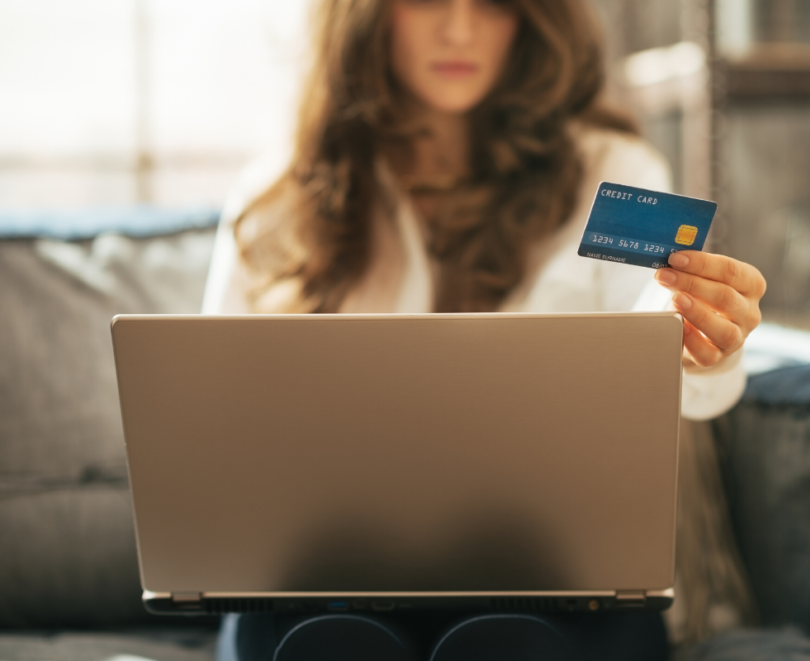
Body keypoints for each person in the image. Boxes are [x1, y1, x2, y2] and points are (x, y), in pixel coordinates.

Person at [203, 0, 766, 658]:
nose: (460, 28)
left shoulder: (612, 175)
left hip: (561, 587)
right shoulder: (276, 198)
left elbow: (660, 330)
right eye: (427, 0)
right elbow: (214, 417)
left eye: (494, 3)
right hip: (325, 586)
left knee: (508, 642)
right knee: (327, 642)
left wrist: (700, 339)